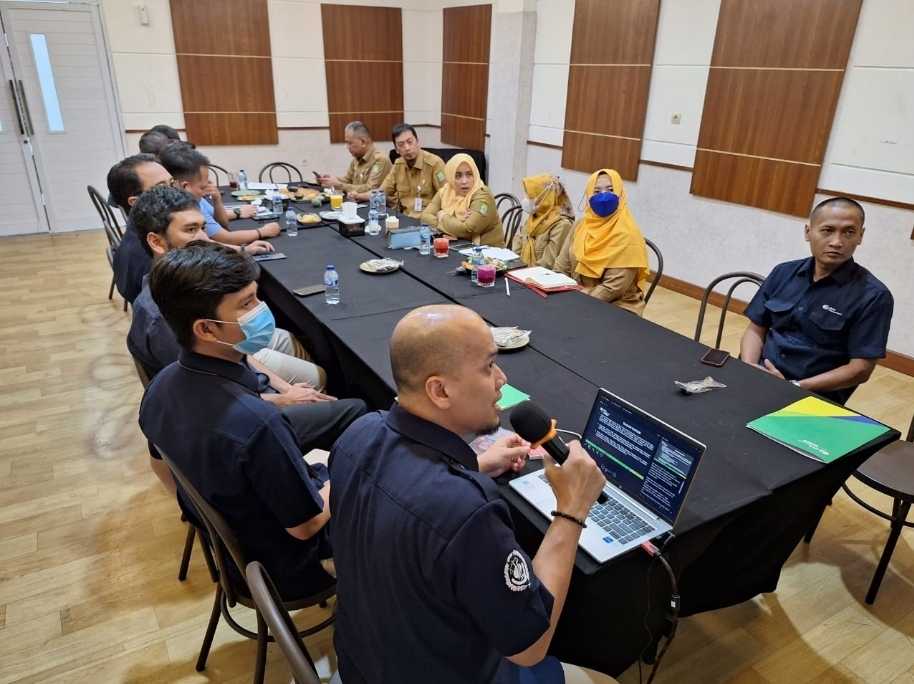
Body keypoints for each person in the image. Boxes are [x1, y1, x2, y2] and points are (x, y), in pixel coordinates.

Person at [329, 304, 607, 683]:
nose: (501, 380)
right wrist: (572, 510)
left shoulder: (355, 436)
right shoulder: (467, 511)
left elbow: (403, 489)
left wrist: (474, 464)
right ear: (440, 390)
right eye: (488, 366)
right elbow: (530, 648)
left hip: (362, 663)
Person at [139, 244, 360, 598]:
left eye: (257, 298)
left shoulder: (161, 385)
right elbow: (307, 526)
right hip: (289, 567)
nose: (261, 310)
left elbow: (161, 469)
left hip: (240, 551)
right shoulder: (257, 422)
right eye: (246, 304)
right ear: (207, 329)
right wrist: (356, 469)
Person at [127, 186, 326, 386]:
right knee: (317, 377)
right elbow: (203, 390)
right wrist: (285, 395)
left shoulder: (180, 280)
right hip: (223, 387)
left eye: (203, 228)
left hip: (229, 356)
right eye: (190, 230)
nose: (205, 239)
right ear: (156, 242)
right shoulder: (161, 319)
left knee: (286, 338)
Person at [740, 196, 893, 405]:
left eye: (849, 232)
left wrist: (795, 387)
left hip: (811, 396)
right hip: (754, 376)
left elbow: (860, 369)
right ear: (808, 232)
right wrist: (749, 366)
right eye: (827, 230)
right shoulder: (783, 272)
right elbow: (755, 329)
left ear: (860, 236)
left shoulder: (873, 296)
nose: (837, 242)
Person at [106, 155, 272, 305]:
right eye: (162, 187)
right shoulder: (157, 262)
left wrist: (243, 249)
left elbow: (204, 242)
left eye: (172, 183)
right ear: (135, 201)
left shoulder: (145, 230)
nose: (176, 191)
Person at [554, 169, 649, 315]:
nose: (603, 196)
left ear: (620, 194)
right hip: (577, 297)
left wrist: (577, 300)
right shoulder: (581, 225)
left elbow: (612, 288)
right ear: (588, 195)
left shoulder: (628, 235)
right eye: (597, 191)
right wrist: (562, 291)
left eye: (610, 190)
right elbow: (561, 266)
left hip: (617, 307)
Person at [158, 142, 276, 246]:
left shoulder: (195, 197)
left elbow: (222, 222)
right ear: (185, 186)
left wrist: (217, 199)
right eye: (203, 186)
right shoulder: (190, 207)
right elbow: (225, 238)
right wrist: (262, 232)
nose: (207, 188)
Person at [359, 123, 445, 218]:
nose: (407, 148)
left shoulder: (435, 164)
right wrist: (358, 196)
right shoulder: (398, 165)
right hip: (404, 219)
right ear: (396, 149)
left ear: (417, 142)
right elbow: (380, 193)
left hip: (425, 221)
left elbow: (446, 197)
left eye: (410, 142)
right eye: (401, 144)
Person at [420, 153, 504, 246]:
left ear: (475, 174)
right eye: (458, 176)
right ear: (450, 177)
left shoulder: (483, 195)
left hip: (488, 253)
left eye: (469, 174)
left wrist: (443, 216)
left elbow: (468, 230)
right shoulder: (446, 191)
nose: (464, 181)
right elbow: (425, 217)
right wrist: (457, 223)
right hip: (459, 247)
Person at [511, 174, 575, 269]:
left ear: (545, 198)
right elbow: (518, 246)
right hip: (522, 271)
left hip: (541, 277)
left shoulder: (562, 225)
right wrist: (512, 265)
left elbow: (547, 264)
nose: (526, 200)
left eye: (531, 196)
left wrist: (522, 273)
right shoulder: (536, 215)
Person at [317, 121, 391, 198]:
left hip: (378, 207)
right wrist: (329, 180)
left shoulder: (380, 160)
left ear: (363, 142)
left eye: (350, 143)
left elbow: (370, 189)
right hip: (358, 203)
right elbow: (348, 179)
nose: (347, 147)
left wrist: (339, 185)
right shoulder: (357, 158)